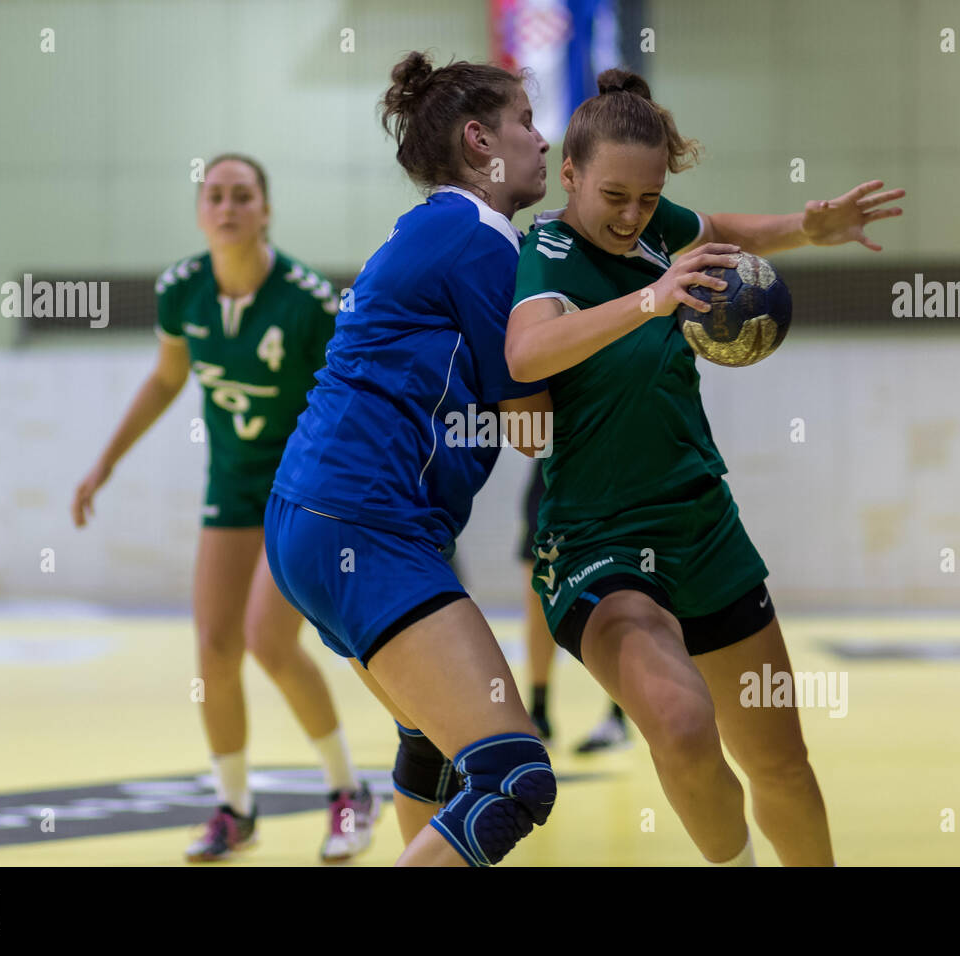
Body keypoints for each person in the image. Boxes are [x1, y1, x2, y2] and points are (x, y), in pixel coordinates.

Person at [507, 69, 905, 865]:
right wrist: (654, 298)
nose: (632, 217)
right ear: (571, 175)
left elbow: (718, 225)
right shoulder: (543, 253)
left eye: (648, 200)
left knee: (781, 765)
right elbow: (526, 352)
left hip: (702, 528)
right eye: (613, 196)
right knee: (683, 727)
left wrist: (806, 226)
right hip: (598, 548)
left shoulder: (659, 231)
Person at [264, 51, 557, 867]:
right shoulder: (480, 241)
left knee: (432, 745)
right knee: (513, 776)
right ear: (479, 140)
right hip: (367, 523)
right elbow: (532, 424)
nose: (544, 140)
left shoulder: (438, 226)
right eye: (524, 122)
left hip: (320, 521)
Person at [71, 154, 377, 863]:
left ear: (265, 209)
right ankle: (235, 808)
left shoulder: (305, 300)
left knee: (268, 640)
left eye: (243, 196)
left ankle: (347, 791)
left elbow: (347, 403)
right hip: (231, 490)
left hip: (300, 492)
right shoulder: (181, 290)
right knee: (213, 647)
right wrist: (105, 463)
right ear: (201, 211)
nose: (228, 207)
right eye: (215, 196)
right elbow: (166, 378)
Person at [519, 461, 632, 752]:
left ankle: (618, 716)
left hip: (614, 462)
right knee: (541, 584)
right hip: (556, 465)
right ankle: (539, 714)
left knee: (619, 584)